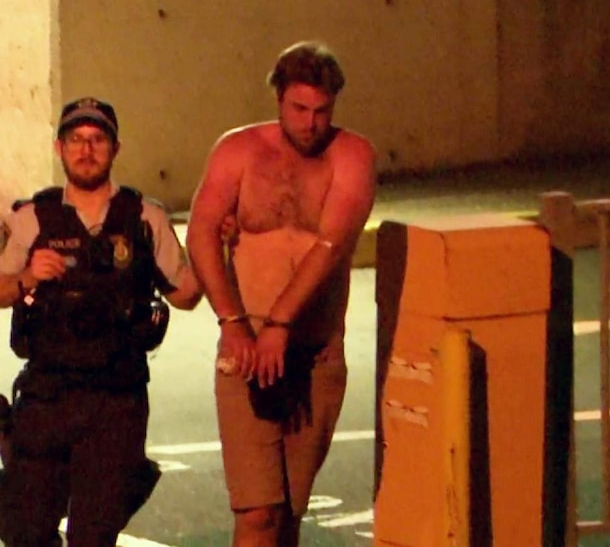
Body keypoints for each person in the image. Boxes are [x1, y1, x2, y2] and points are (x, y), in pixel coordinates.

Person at [186, 41, 376, 546]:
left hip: (314, 353)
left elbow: (331, 246)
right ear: (278, 100)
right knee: (257, 515)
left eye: (321, 111)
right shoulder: (238, 151)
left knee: (289, 512)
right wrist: (233, 323)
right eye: (299, 109)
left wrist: (283, 324)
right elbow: (200, 231)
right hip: (248, 348)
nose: (310, 123)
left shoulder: (353, 156)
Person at [0, 97, 202, 547]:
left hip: (116, 398)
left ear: (115, 148)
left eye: (97, 140)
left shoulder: (144, 217)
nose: (86, 149)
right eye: (76, 139)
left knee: (94, 535)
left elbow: (186, 294)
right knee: (24, 531)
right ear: (59, 148)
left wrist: (214, 247)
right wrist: (31, 274)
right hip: (47, 395)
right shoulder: (33, 217)